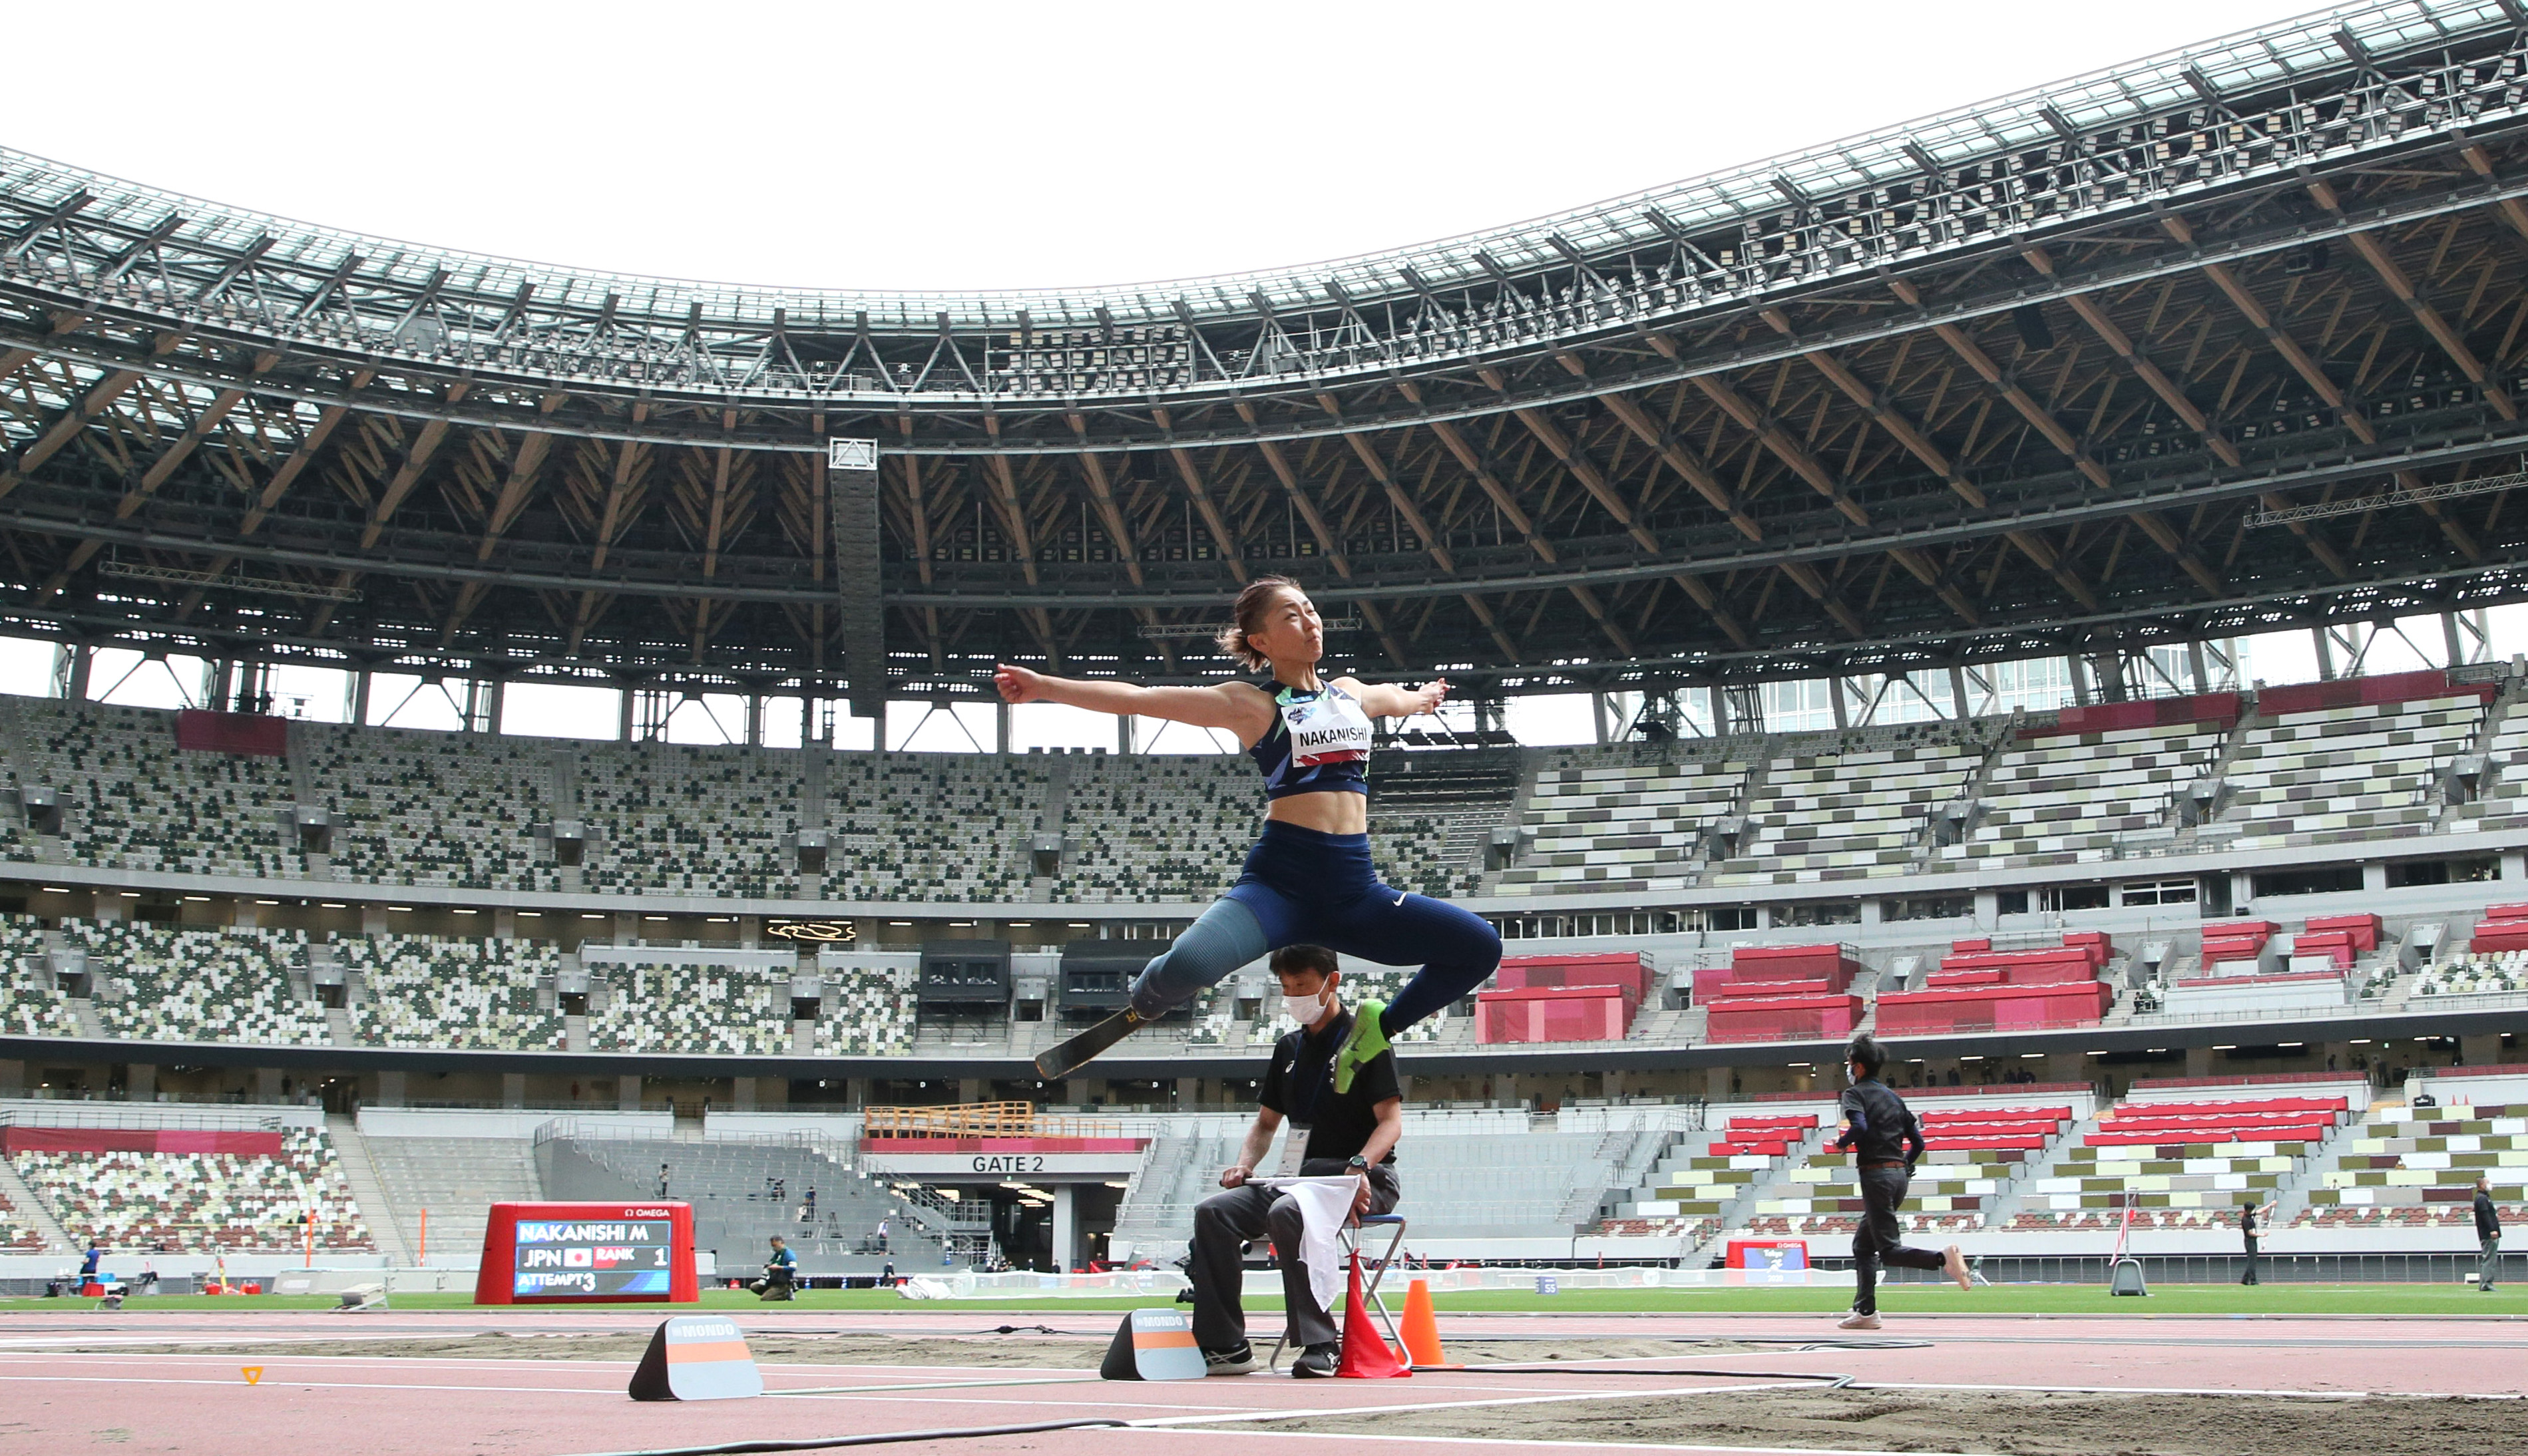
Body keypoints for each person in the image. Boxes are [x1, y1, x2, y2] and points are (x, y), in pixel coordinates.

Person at [994, 577, 1503, 1086]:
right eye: (1291, 616)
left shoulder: (1349, 695)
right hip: (1278, 885)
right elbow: (1138, 699)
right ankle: (1148, 997)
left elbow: (1394, 698)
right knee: (1190, 966)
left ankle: (1375, 1031)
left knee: (1479, 947)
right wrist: (1044, 687)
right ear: (1260, 641)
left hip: (1353, 893)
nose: (1309, 622)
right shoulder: (1251, 706)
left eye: (1310, 610)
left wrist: (1423, 696)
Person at [1187, 944, 1403, 1377]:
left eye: (1302, 986)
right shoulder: (1287, 1049)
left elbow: (1391, 1122)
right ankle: (1225, 1345)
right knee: (1213, 1213)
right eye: (1285, 988)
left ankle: (1321, 1344)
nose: (1292, 997)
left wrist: (1360, 1166)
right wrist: (1245, 1164)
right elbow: (1266, 1126)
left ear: (1332, 981)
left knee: (1290, 1212)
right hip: (1298, 1177)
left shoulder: (1366, 1041)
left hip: (1361, 1178)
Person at [1832, 1033, 1971, 1330]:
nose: (1848, 1068)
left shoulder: (1854, 1094)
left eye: (1849, 1063)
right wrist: (1903, 1166)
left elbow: (1859, 1126)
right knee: (1862, 1245)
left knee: (1889, 1250)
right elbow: (1919, 1143)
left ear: (1857, 1067)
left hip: (1876, 1175)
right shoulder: (1895, 1098)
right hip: (1898, 1176)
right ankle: (1866, 1311)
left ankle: (1941, 1259)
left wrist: (1842, 1144)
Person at [2238, 1197, 2276, 1285]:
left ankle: (2245, 1280)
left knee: (2252, 1260)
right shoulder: (2246, 1220)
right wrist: (2262, 1235)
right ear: (2248, 1210)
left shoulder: (2250, 1215)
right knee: (2252, 1261)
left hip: (2253, 1241)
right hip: (2249, 1241)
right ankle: (2253, 1280)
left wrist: (2270, 1205)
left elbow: (2260, 1211)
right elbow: (2250, 1233)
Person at [2475, 1175, 2503, 1292]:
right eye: (2488, 1183)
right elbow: (2486, 1215)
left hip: (2487, 1233)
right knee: (2489, 1259)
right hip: (2488, 1234)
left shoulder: (2483, 1198)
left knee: (2488, 1258)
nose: (2490, 1185)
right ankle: (2487, 1283)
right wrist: (2492, 1229)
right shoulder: (2482, 1199)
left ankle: (2484, 1283)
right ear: (2482, 1185)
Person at [749, 1235, 797, 1300]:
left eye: (775, 1245)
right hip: (772, 1281)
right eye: (773, 1245)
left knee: (765, 1299)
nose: (774, 1247)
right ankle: (772, 1293)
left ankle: (786, 1294)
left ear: (781, 1243)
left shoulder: (788, 1254)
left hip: (782, 1283)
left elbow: (793, 1268)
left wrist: (778, 1267)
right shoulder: (777, 1254)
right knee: (754, 1286)